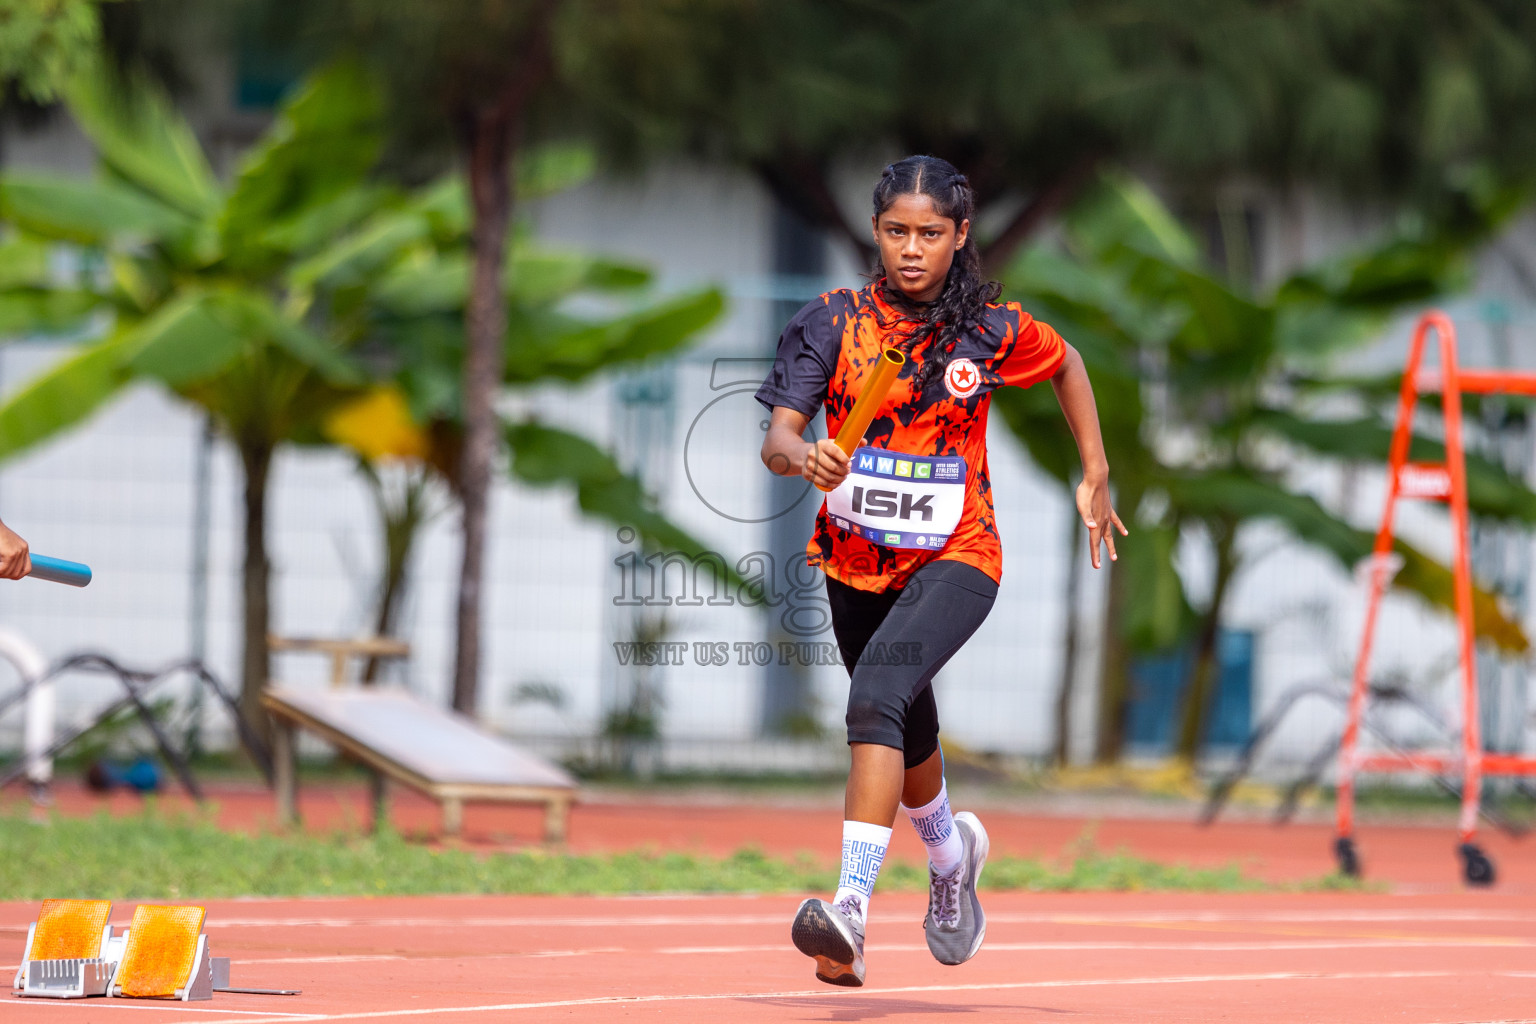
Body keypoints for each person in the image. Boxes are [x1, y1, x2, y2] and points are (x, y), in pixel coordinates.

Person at [756, 155, 1125, 987]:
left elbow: (1066, 362)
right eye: (896, 232)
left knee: (874, 698)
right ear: (876, 233)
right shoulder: (832, 321)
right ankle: (951, 857)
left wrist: (1095, 471)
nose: (911, 249)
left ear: (960, 236)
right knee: (904, 728)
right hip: (854, 564)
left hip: (962, 555)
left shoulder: (987, 329)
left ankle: (848, 911)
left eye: (930, 233)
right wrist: (801, 455)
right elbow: (779, 437)